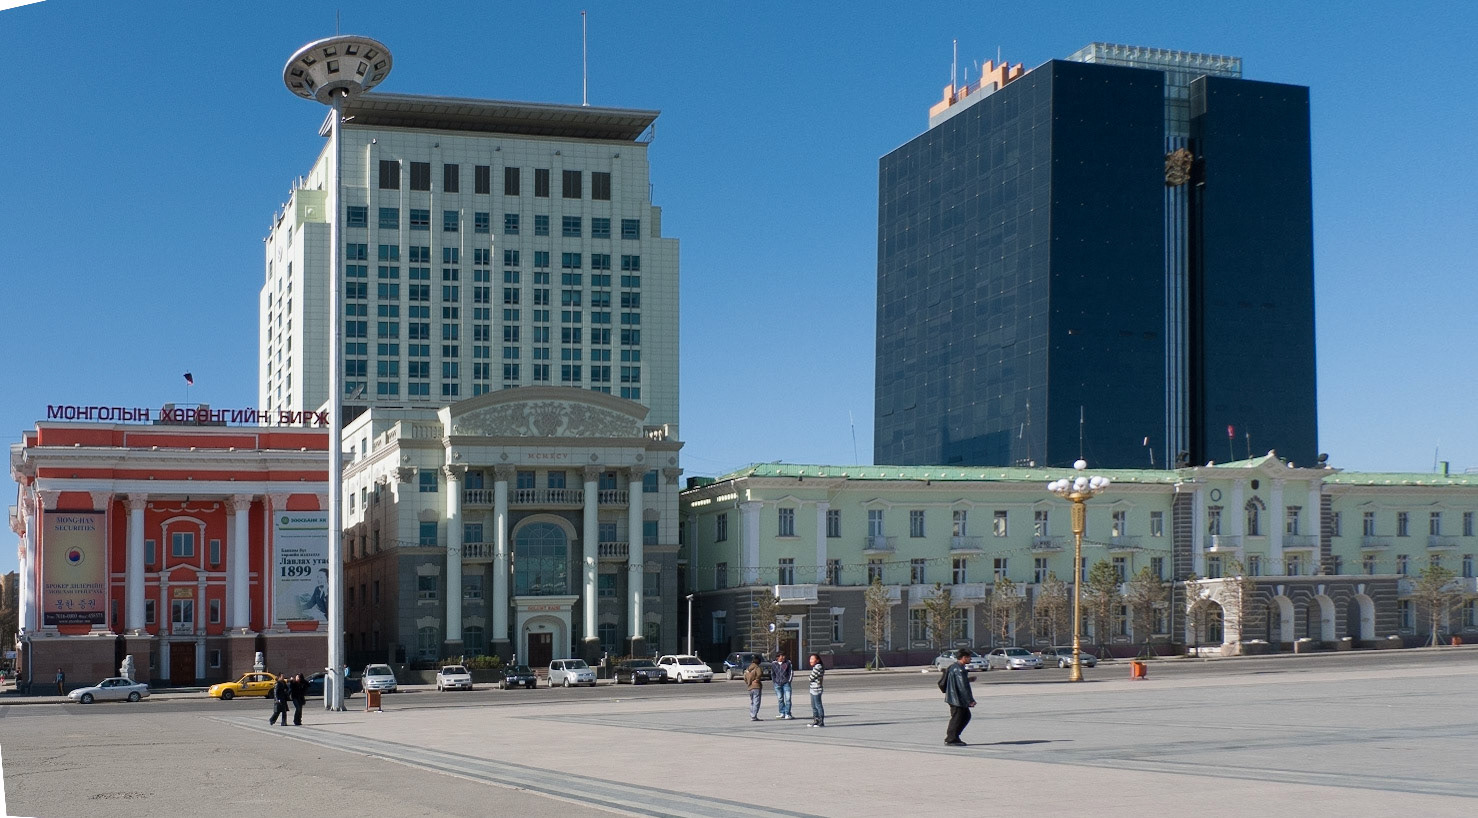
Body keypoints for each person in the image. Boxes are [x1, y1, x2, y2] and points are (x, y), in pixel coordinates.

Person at [943, 648, 978, 746]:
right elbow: (963, 687)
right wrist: (970, 700)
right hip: (957, 699)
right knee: (957, 718)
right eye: (969, 657)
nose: (970, 659)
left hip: (953, 697)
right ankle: (951, 739)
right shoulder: (960, 669)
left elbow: (958, 682)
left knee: (965, 716)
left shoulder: (953, 667)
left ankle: (954, 737)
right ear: (964, 658)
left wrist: (968, 679)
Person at [771, 651, 794, 720]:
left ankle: (788, 713)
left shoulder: (788, 663)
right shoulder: (774, 664)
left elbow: (790, 672)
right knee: (780, 699)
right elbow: (773, 673)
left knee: (788, 699)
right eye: (782, 656)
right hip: (777, 684)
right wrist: (774, 681)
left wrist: (788, 681)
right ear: (778, 657)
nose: (783, 657)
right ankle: (782, 712)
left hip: (786, 683)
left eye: (784, 656)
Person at [806, 654, 825, 727]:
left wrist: (810, 678)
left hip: (817, 689)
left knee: (818, 705)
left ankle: (820, 721)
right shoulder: (815, 667)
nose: (810, 661)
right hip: (812, 689)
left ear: (817, 660)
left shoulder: (818, 667)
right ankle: (815, 720)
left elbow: (811, 678)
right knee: (813, 705)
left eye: (812, 659)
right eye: (810, 659)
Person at [743, 656, 763, 721]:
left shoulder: (748, 669)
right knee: (756, 701)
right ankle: (754, 716)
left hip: (750, 687)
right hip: (756, 686)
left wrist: (748, 682)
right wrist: (757, 679)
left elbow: (745, 678)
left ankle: (752, 714)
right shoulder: (757, 667)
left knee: (752, 702)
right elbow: (759, 674)